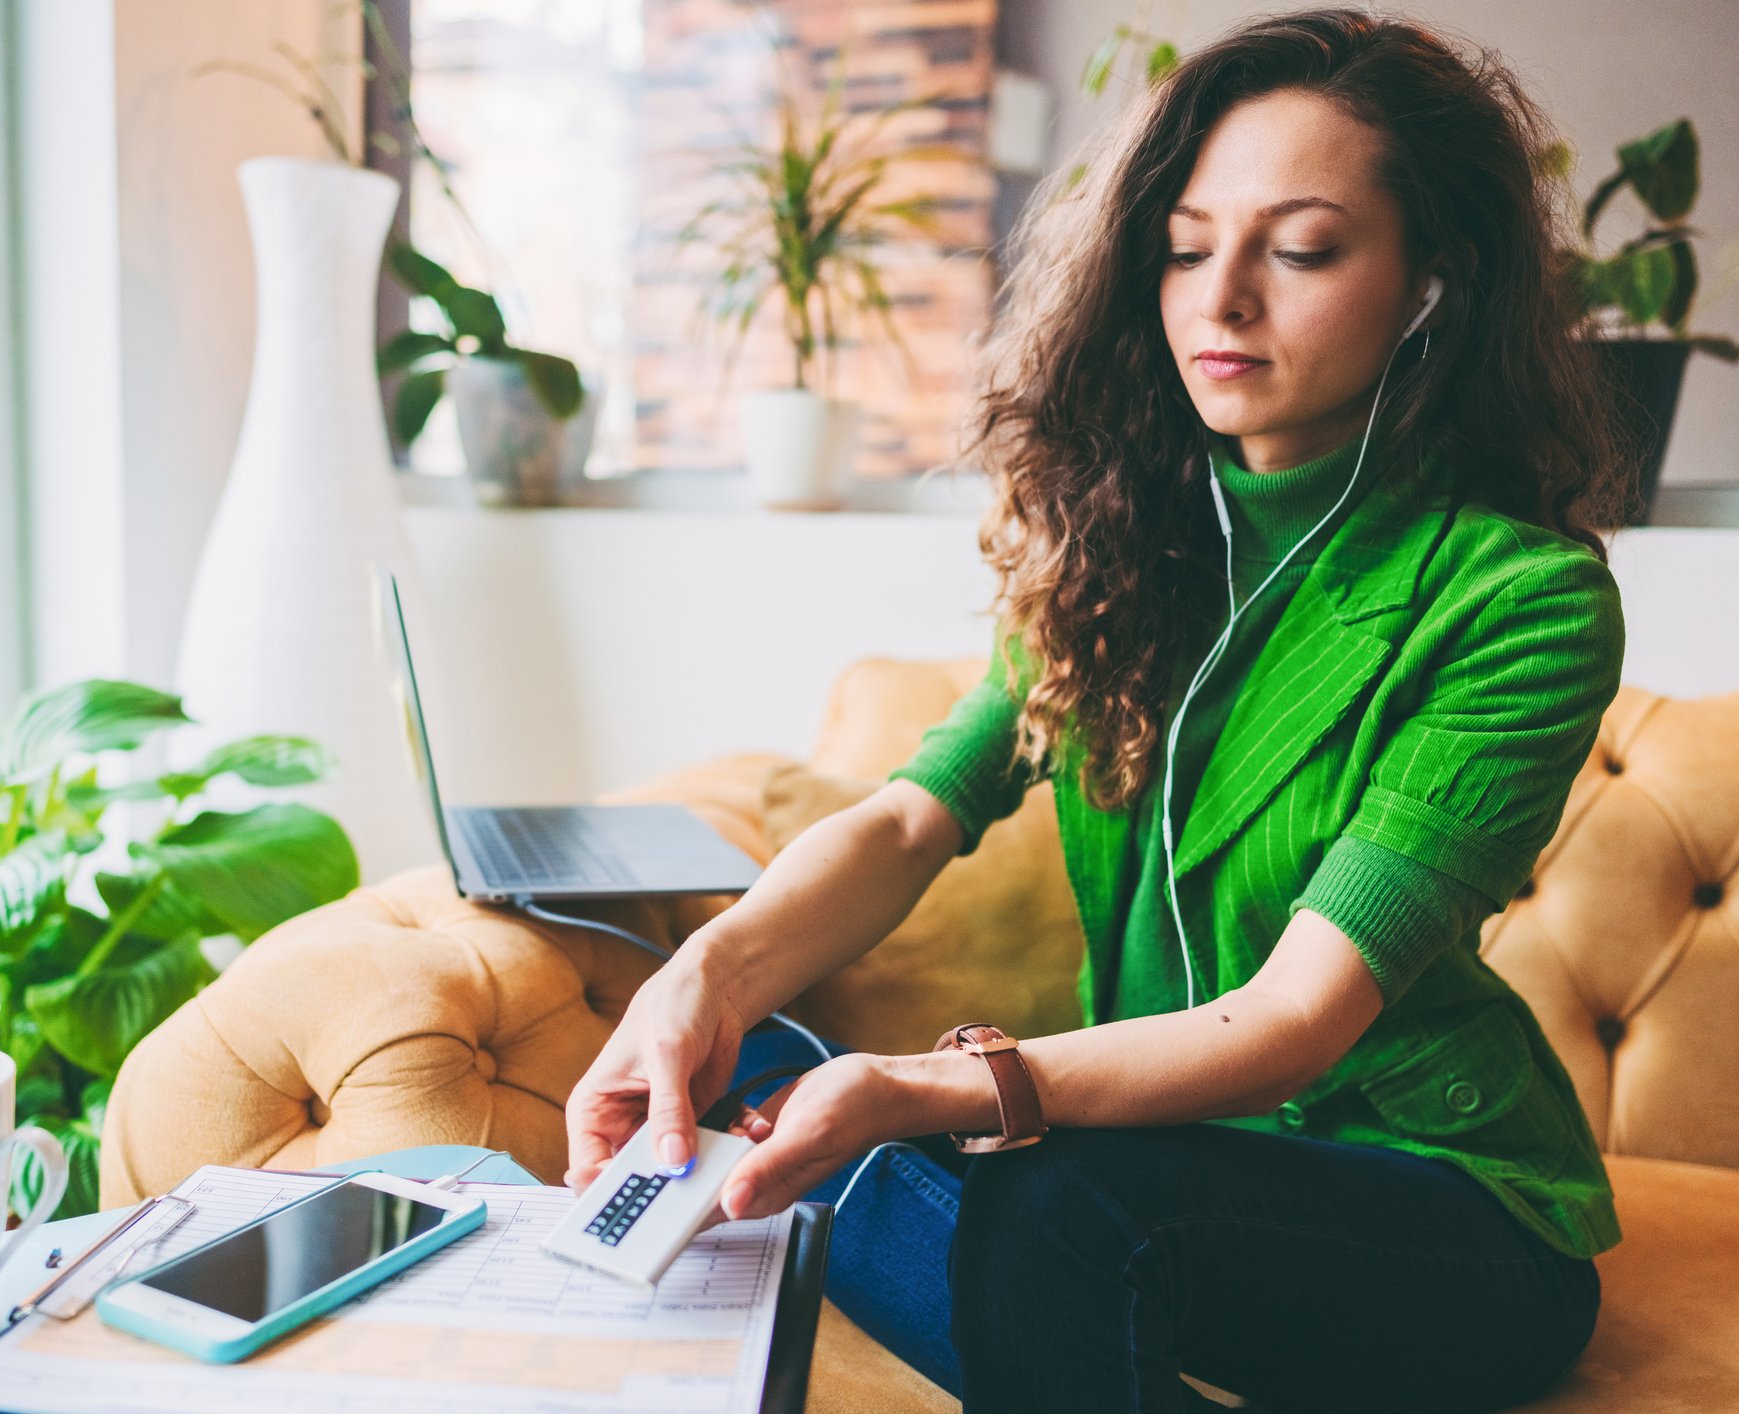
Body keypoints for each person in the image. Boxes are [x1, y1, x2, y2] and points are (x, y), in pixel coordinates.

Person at [565, 9, 1638, 1410]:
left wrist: (921, 1091)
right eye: (1187, 248)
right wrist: (695, 981)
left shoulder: (1520, 599)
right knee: (743, 1076)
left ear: (1435, 281)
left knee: (1047, 1212)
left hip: (1435, 1210)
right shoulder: (1128, 548)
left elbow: (1295, 1022)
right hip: (1158, 1173)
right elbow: (905, 816)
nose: (1221, 299)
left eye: (1301, 249)